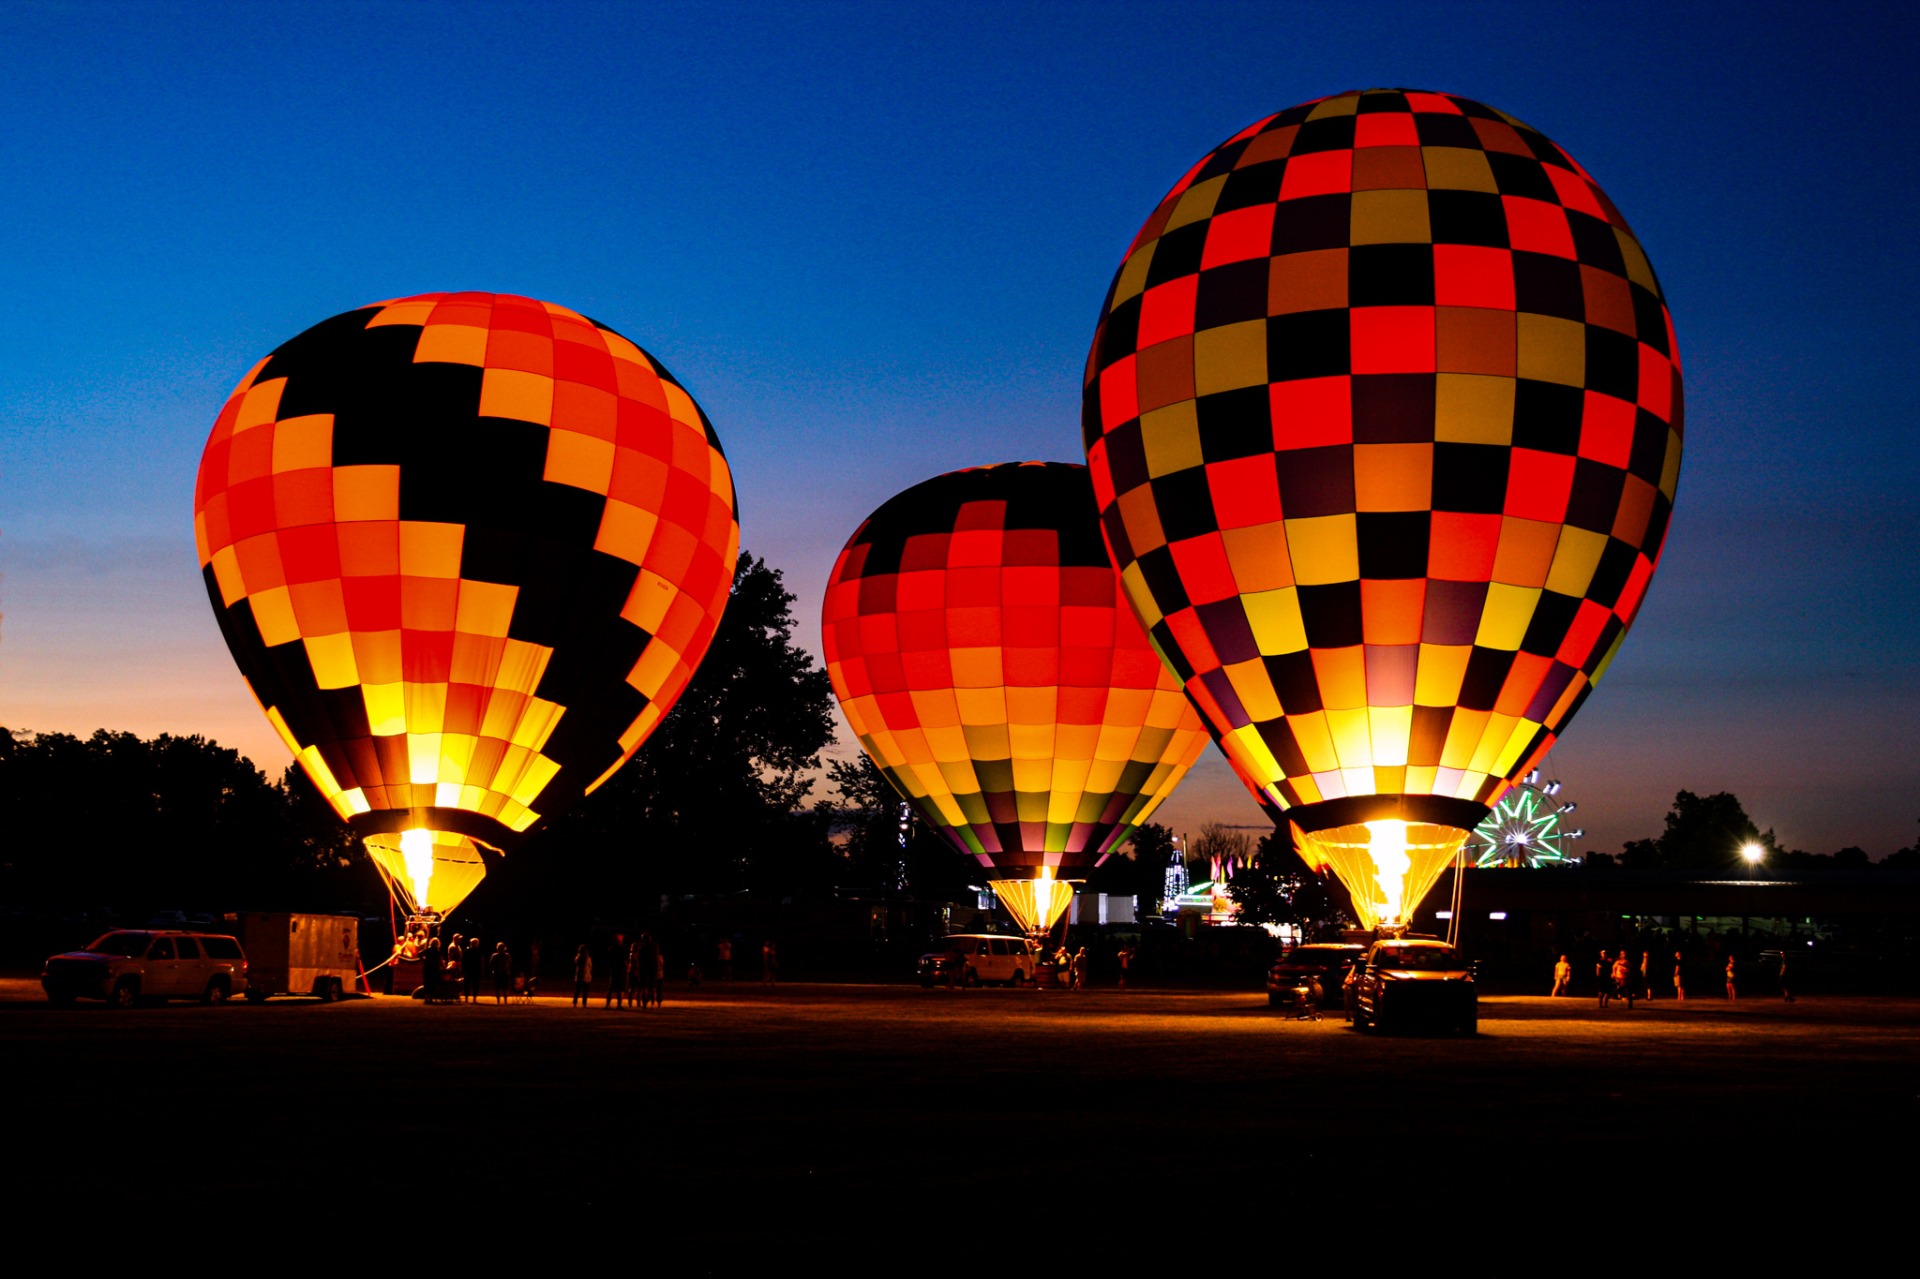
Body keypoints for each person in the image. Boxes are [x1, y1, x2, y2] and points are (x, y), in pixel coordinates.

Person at [604, 938, 628, 1009]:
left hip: (614, 970)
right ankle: (619, 1005)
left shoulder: (611, 949)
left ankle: (607, 1004)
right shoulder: (622, 949)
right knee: (620, 989)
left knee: (611, 988)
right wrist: (626, 968)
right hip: (621, 970)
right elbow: (624, 960)